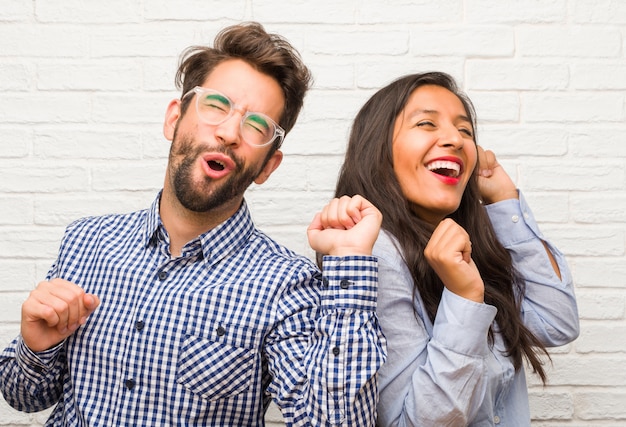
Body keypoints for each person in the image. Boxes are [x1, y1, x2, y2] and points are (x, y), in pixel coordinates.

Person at [0, 22, 386, 426]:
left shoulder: (286, 285)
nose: (230, 132)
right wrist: (34, 347)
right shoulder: (87, 242)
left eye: (257, 126)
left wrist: (349, 262)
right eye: (216, 105)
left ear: (268, 167)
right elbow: (24, 396)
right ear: (174, 119)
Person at [331, 71, 579, 426]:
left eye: (465, 131)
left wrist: (505, 201)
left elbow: (556, 323)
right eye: (426, 123)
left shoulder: (467, 244)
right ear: (379, 150)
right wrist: (463, 297)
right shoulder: (375, 254)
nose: (455, 139)